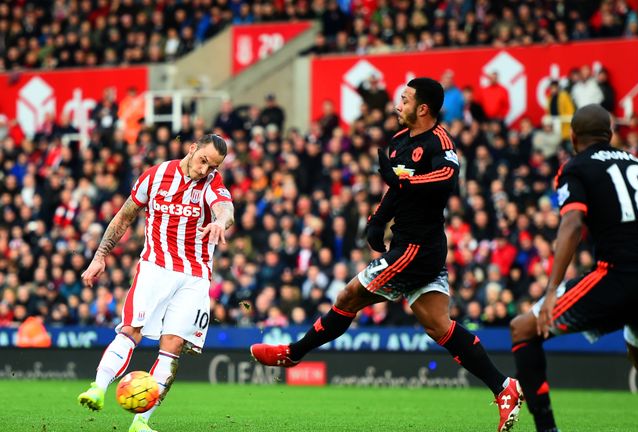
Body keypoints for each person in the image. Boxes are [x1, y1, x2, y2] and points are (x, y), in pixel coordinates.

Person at [250, 78, 524, 432]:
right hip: (407, 244)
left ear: (422, 108)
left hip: (418, 248)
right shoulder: (397, 143)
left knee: (349, 295)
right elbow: (395, 190)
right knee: (438, 325)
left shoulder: (439, 141)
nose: (398, 104)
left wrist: (403, 182)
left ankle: (293, 353)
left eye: (405, 99)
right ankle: (505, 387)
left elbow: (446, 177)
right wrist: (378, 221)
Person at [510, 104, 638, 432]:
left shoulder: (576, 167)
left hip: (620, 275)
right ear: (610, 134)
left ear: (572, 136)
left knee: (524, 329)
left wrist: (552, 290)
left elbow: (572, 225)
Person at [77, 134, 235, 432]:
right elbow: (124, 216)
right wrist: (100, 256)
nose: (204, 170)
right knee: (131, 331)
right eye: (203, 161)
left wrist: (220, 221)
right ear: (192, 149)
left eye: (212, 166)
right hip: (155, 268)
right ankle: (97, 388)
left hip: (194, 277)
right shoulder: (155, 175)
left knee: (172, 347)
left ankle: (141, 422)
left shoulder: (212, 183)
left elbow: (226, 209)